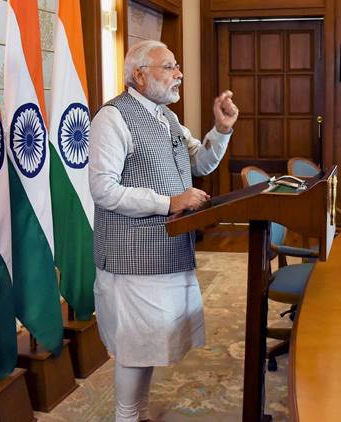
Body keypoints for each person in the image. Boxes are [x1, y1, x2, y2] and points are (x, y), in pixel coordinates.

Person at [88, 39, 239, 422]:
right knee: (134, 348)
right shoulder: (113, 118)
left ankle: (138, 414)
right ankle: (126, 417)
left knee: (150, 345)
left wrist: (221, 130)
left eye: (176, 66)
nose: (179, 74)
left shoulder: (166, 118)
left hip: (168, 251)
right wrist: (168, 202)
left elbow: (200, 163)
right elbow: (103, 189)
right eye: (169, 67)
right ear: (139, 76)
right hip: (131, 257)